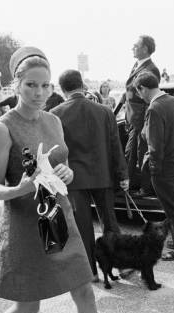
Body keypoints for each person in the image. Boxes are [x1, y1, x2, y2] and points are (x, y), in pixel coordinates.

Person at [0, 47, 129, 313]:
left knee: (85, 292)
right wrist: (22, 186)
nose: (39, 93)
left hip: (58, 217)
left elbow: (65, 170)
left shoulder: (54, 121)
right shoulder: (3, 129)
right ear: (17, 84)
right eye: (32, 85)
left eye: (45, 86)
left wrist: (68, 174)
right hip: (26, 226)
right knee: (28, 308)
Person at [51, 69, 129, 277]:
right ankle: (122, 264)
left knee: (83, 226)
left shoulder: (55, 114)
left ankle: (90, 271)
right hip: (103, 174)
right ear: (82, 85)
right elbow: (115, 146)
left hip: (73, 178)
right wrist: (123, 174)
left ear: (62, 88)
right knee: (110, 221)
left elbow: (55, 152)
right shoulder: (104, 111)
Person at [134, 72, 174, 260]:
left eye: (138, 92)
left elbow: (155, 145)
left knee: (172, 209)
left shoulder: (155, 108)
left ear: (143, 88)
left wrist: (153, 171)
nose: (140, 96)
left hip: (164, 167)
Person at [118, 35, 160, 194]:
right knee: (133, 153)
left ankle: (142, 188)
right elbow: (130, 91)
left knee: (137, 154)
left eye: (135, 46)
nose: (132, 48)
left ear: (145, 48)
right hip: (131, 118)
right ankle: (133, 185)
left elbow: (147, 97)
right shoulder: (138, 65)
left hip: (140, 119)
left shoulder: (151, 69)